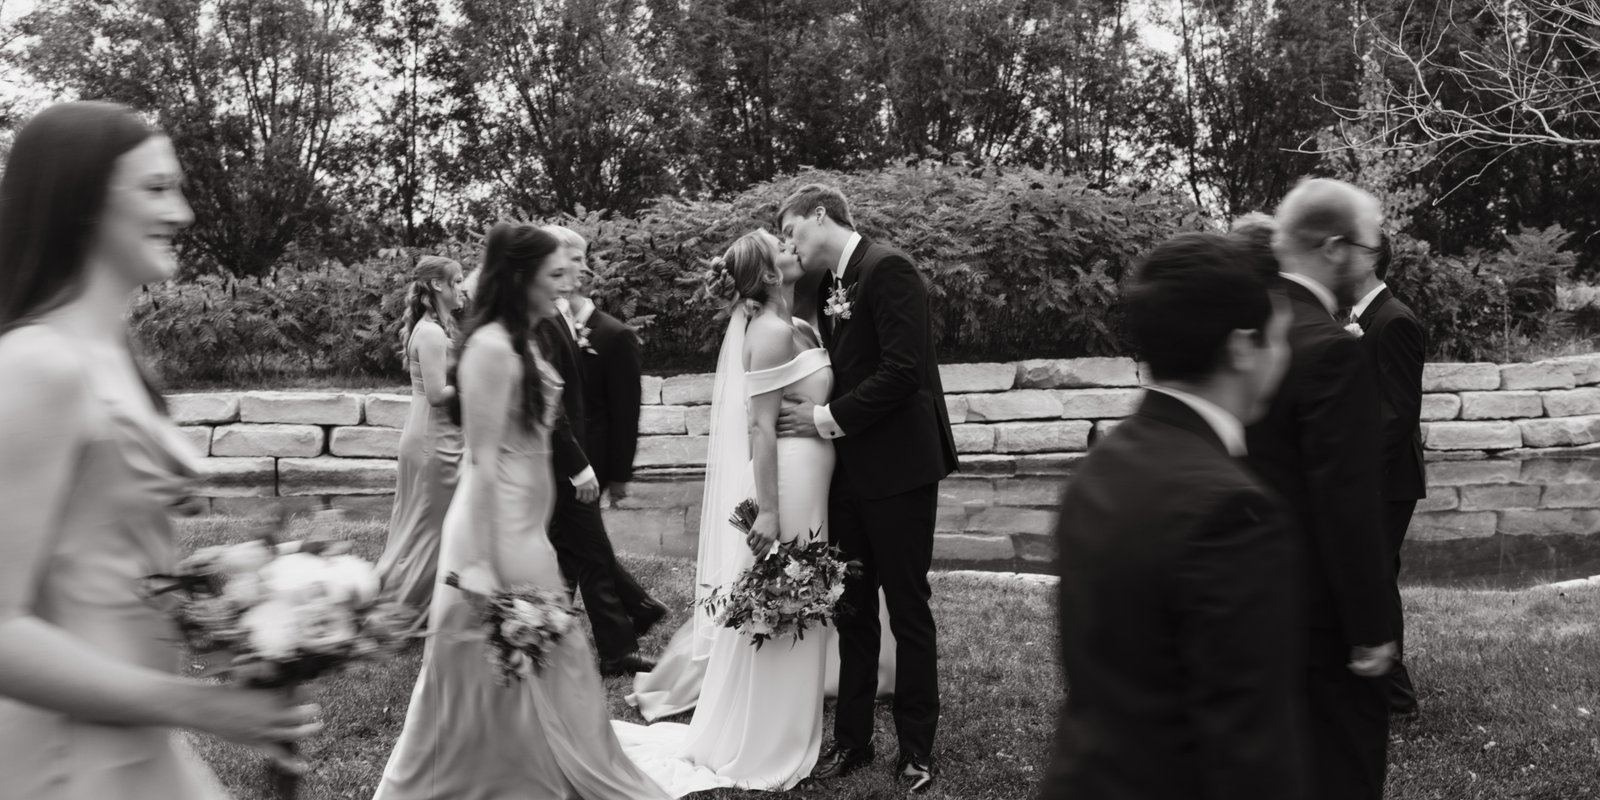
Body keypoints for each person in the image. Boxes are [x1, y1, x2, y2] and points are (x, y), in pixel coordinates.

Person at [0, 101, 321, 799]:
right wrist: (202, 707)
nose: (181, 214)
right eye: (153, 189)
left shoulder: (114, 352)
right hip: (63, 756)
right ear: (79, 202)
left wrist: (214, 581)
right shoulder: (36, 365)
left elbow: (90, 544)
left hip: (131, 739)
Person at [373, 222, 672, 800]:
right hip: (494, 527)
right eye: (554, 274)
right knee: (500, 660)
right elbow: (480, 462)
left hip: (526, 524)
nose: (567, 282)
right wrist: (480, 562)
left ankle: (544, 758)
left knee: (547, 652)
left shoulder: (526, 335)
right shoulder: (487, 347)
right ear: (521, 277)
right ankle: (488, 775)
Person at [1040, 232, 1303, 800]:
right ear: (1241, 348)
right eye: (1280, 338)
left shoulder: (1101, 466)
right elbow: (1247, 742)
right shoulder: (1233, 508)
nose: (1286, 354)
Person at [612, 229, 836, 792]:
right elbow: (758, 426)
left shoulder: (797, 323)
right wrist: (767, 511)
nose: (791, 245)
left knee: (800, 596)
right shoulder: (767, 331)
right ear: (766, 274)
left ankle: (783, 722)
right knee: (784, 596)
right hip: (787, 482)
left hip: (813, 476)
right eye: (780, 244)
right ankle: (761, 737)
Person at [775, 184, 959, 793]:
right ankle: (851, 742)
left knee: (907, 608)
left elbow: (904, 372)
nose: (790, 242)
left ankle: (916, 749)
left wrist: (826, 421)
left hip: (900, 472)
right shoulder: (829, 286)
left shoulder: (889, 269)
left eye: (793, 229)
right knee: (851, 609)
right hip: (849, 476)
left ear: (821, 216)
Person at [1246, 177, 1398, 800]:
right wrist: (1371, 625)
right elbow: (1347, 502)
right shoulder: (1330, 349)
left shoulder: (1247, 333)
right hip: (1318, 621)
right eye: (1366, 249)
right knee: (1344, 773)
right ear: (1335, 247)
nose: (1368, 262)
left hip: (1248, 608)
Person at [537, 225, 666, 676]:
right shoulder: (542, 317)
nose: (582, 268)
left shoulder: (610, 333)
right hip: (563, 459)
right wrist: (577, 465)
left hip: (578, 459)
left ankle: (570, 637)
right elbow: (551, 405)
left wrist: (615, 472)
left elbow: (623, 411)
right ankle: (622, 626)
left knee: (577, 553)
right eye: (576, 258)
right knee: (583, 551)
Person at [1349, 231, 1426, 716]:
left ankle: (1396, 699)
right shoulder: (1362, 317)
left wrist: (1360, 483)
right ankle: (1379, 685)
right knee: (1373, 578)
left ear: (1371, 259)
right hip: (1375, 477)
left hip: (1386, 480)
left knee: (1372, 579)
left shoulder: (1395, 320)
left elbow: (1397, 413)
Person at [374, 256, 466, 634]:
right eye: (457, 281)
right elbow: (435, 393)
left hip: (440, 436)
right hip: (431, 440)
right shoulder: (429, 333)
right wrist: (478, 380)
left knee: (431, 525)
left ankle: (426, 605)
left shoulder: (444, 326)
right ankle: (404, 611)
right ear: (439, 287)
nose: (462, 287)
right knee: (426, 528)